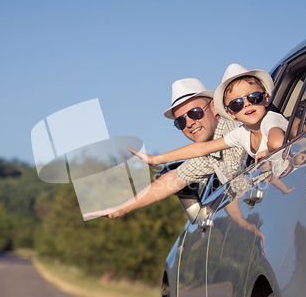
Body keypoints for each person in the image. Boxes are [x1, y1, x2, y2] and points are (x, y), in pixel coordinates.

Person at [83, 77, 246, 219]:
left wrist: (155, 159)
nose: (189, 123)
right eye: (180, 121)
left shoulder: (237, 126)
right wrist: (123, 208)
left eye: (195, 113)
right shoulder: (210, 153)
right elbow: (173, 179)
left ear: (214, 108)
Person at [130, 64, 289, 168]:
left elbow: (277, 141)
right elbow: (200, 149)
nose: (247, 104)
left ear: (266, 99)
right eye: (237, 104)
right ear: (230, 113)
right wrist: (154, 159)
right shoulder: (242, 133)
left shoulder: (270, 119)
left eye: (254, 97)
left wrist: (268, 151)